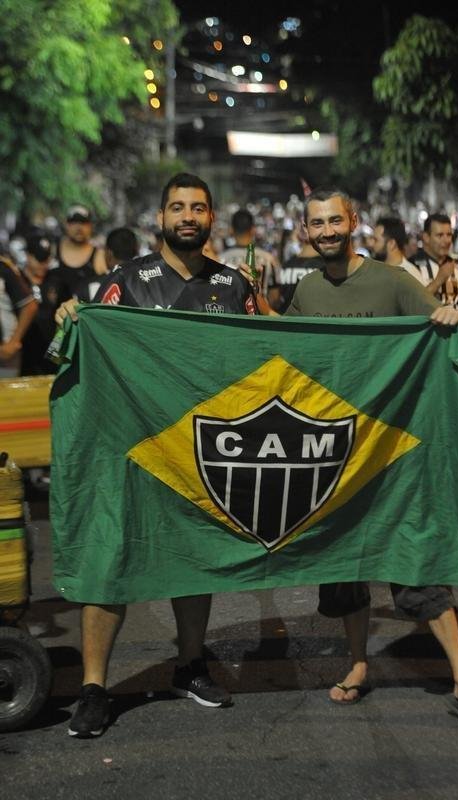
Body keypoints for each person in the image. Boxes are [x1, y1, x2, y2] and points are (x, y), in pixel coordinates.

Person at [249, 186, 458, 731]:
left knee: (417, 569)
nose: (326, 232)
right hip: (333, 456)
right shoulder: (308, 290)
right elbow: (285, 346)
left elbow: (440, 321)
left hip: (393, 457)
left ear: (353, 222)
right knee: (343, 569)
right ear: (305, 233)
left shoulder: (391, 281)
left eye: (334, 222)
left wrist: (446, 318)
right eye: (316, 225)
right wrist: (258, 305)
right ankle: (358, 663)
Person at [55, 173, 259, 738]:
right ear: (161, 217)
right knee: (108, 560)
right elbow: (91, 347)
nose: (187, 216)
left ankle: (190, 666)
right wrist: (75, 316)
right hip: (130, 448)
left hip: (202, 452)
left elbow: (263, 358)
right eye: (177, 207)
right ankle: (94, 688)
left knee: (193, 557)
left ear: (212, 217)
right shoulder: (126, 281)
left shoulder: (234, 286)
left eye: (198, 207)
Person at [410, 213, 458, 369]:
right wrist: (438, 280)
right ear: (426, 237)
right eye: (440, 235)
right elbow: (412, 305)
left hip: (457, 342)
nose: (446, 240)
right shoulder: (412, 265)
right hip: (425, 346)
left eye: (449, 234)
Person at [219, 208, 282, 309]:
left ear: (231, 230)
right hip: (260, 318)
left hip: (231, 317)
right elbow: (274, 297)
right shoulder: (269, 259)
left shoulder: (220, 259)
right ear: (253, 229)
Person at [51, 204, 108, 304]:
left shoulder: (99, 256)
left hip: (84, 317)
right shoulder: (53, 250)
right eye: (74, 222)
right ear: (66, 225)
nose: (79, 227)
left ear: (90, 226)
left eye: (83, 223)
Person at [20, 233, 60, 376]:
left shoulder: (55, 281)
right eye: (39, 259)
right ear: (28, 256)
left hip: (49, 359)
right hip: (22, 357)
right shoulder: (17, 281)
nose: (44, 264)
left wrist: (55, 355)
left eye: (47, 259)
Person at [0, 249, 38, 377]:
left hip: (4, 354)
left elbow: (29, 305)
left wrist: (13, 343)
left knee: (6, 396)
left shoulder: (3, 268)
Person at [372, 216, 425, 283]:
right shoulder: (375, 270)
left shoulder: (410, 275)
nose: (372, 244)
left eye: (376, 240)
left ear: (392, 243)